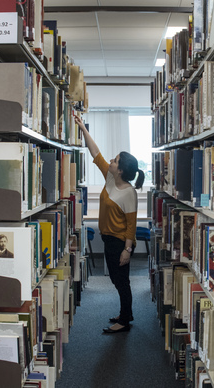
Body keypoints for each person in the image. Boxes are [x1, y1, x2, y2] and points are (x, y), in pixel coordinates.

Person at [75, 112, 144, 334]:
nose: (111, 161)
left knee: (121, 280)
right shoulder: (109, 177)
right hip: (109, 239)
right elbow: (96, 153)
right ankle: (126, 313)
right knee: (117, 279)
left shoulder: (129, 193)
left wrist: (127, 249)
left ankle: (124, 320)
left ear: (121, 170)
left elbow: (131, 226)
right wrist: (83, 129)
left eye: (115, 161)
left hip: (119, 243)